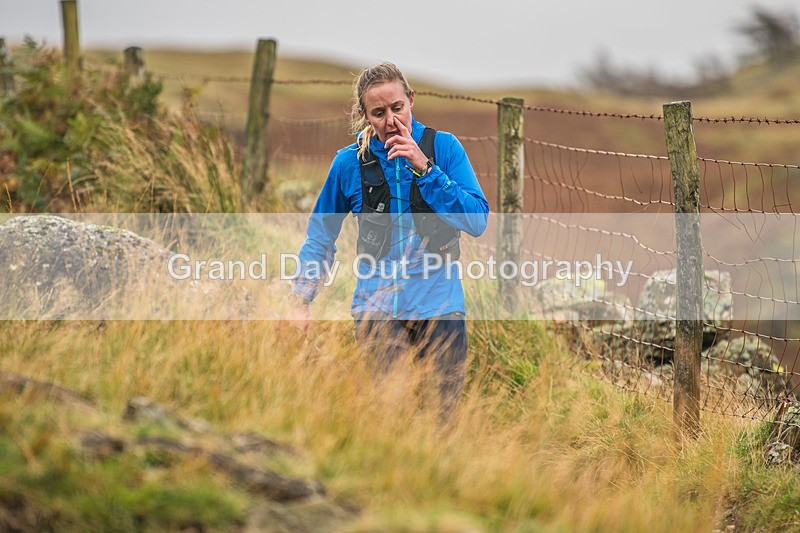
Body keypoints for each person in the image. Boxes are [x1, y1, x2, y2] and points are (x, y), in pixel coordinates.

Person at [288, 62, 489, 417]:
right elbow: (321, 236)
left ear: (411, 100)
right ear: (365, 116)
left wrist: (425, 168)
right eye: (379, 113)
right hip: (376, 309)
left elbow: (477, 219)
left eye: (398, 108)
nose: (392, 121)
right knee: (391, 413)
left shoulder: (443, 148)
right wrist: (301, 299)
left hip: (440, 306)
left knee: (441, 419)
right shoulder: (348, 164)